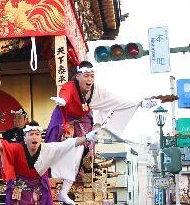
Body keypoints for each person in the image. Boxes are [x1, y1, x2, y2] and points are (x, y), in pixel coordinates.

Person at [46, 60, 159, 192]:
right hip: (65, 119)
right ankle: (55, 179)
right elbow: (65, 93)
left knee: (81, 152)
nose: (90, 79)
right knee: (59, 149)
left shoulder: (97, 91)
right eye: (86, 75)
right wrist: (63, 101)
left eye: (92, 76)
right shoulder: (70, 86)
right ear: (78, 76)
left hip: (83, 122)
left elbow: (117, 100)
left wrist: (140, 103)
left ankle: (71, 183)